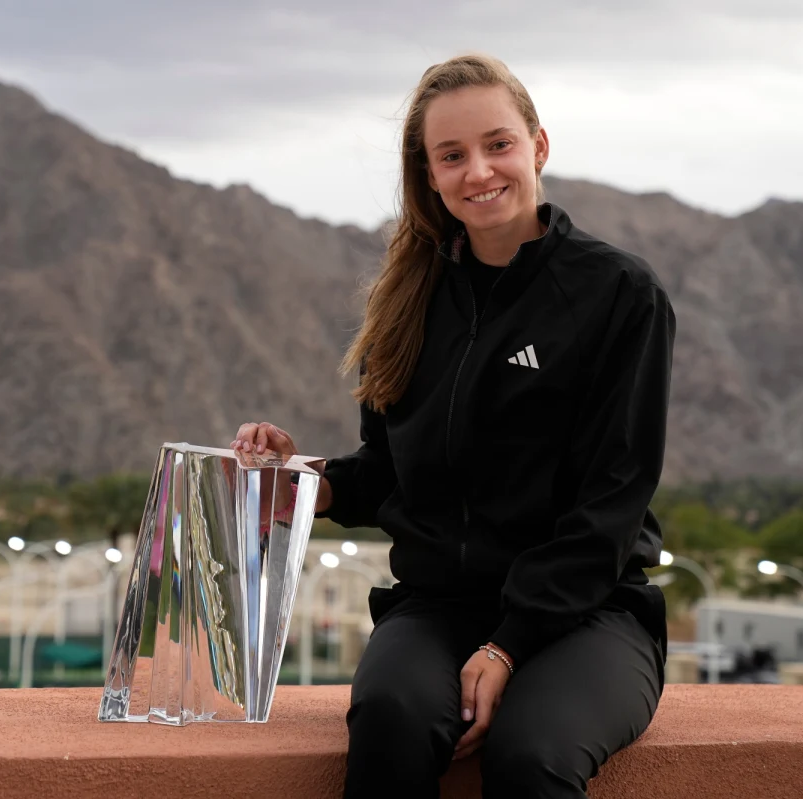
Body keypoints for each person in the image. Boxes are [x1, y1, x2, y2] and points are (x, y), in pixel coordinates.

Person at [231, 52, 676, 799]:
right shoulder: (408, 301)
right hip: (436, 606)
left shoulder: (619, 295)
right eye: (452, 155)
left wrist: (506, 645)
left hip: (592, 613)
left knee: (530, 756)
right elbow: (387, 472)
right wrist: (301, 483)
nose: (479, 171)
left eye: (497, 144)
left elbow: (611, 508)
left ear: (537, 146)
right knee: (390, 715)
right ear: (430, 174)